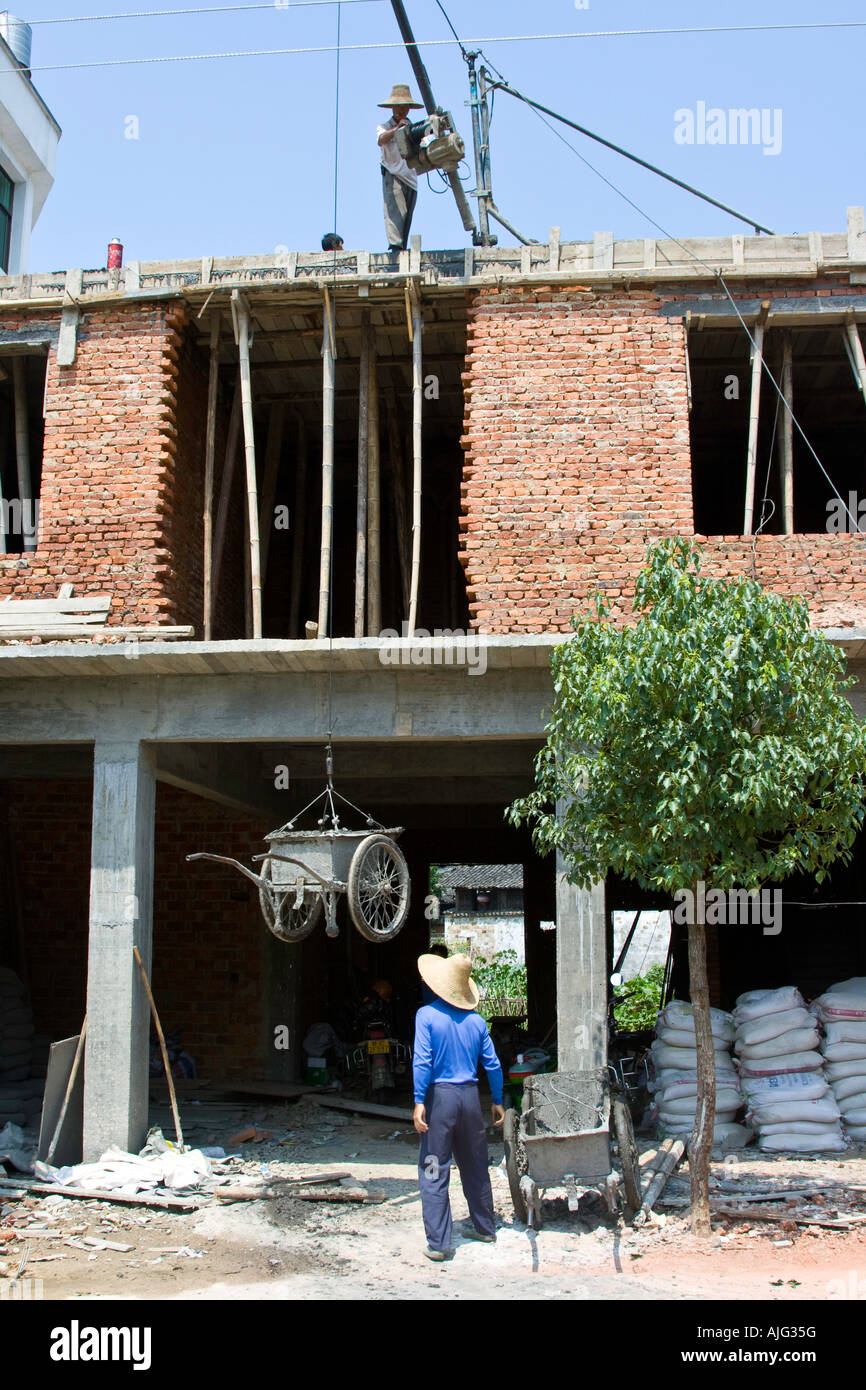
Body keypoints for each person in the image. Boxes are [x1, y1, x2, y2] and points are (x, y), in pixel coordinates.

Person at [413, 952, 505, 1261]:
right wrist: (497, 1100)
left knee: (433, 1167)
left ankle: (440, 1243)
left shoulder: (426, 1016)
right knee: (475, 1164)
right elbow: (492, 1065)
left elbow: (422, 1061)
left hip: (441, 1098)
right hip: (469, 1097)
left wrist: (417, 1101)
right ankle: (485, 1227)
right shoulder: (476, 1021)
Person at [377, 82, 424, 251]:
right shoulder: (384, 127)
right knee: (395, 212)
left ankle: (401, 247)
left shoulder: (414, 128)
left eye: (404, 107)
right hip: (393, 173)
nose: (401, 110)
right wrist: (398, 129)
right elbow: (381, 140)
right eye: (398, 106)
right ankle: (395, 246)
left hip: (410, 176)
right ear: (392, 108)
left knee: (406, 215)